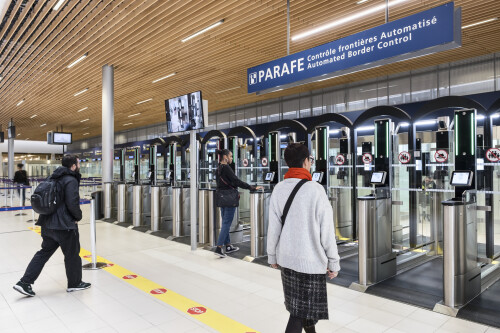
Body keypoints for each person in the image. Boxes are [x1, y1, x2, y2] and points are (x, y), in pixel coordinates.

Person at [267, 143, 340, 333]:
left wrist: (272, 256)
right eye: (310, 159)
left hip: (287, 261)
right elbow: (327, 231)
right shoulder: (315, 190)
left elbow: (273, 227)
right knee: (299, 313)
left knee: (303, 311)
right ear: (306, 161)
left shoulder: (278, 189)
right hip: (309, 263)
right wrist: (334, 262)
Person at [13, 155, 91, 297]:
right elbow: (72, 203)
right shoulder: (71, 180)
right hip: (64, 225)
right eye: (78, 163)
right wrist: (78, 217)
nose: (79, 165)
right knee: (72, 254)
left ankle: (24, 282)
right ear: (73, 166)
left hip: (47, 224)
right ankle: (75, 283)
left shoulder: (52, 177)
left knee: (43, 253)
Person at [214, 149, 262, 258]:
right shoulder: (226, 168)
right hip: (230, 198)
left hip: (222, 198)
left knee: (225, 222)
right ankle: (219, 247)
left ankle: (228, 245)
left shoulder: (218, 168)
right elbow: (236, 181)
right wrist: (251, 187)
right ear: (225, 157)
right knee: (226, 223)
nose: (231, 158)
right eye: (230, 156)